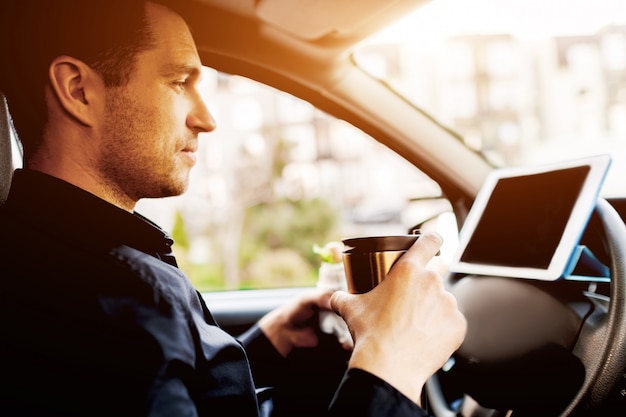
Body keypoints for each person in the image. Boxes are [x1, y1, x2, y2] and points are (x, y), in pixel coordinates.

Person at [0, 1, 466, 416]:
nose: (206, 118)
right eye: (179, 81)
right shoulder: (116, 297)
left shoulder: (54, 262)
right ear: (79, 90)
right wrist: (391, 365)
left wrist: (263, 346)